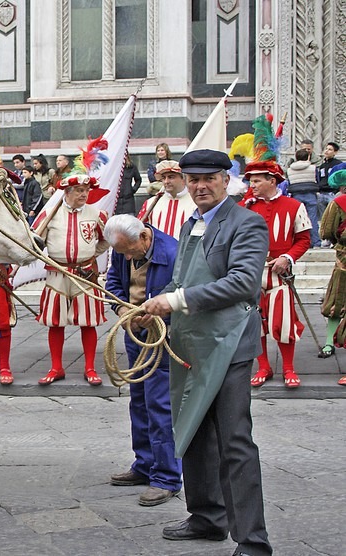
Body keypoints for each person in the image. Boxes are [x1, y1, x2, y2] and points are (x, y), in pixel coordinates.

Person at [142, 149, 272, 556]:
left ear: (225, 180)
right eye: (193, 179)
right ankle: (206, 517)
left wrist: (175, 301)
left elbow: (243, 284)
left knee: (235, 441)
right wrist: (150, 305)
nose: (200, 186)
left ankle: (252, 541)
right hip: (193, 343)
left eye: (208, 178)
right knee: (194, 431)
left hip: (230, 344)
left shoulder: (247, 223)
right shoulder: (190, 224)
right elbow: (180, 280)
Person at [104, 214, 181, 507]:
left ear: (145, 238)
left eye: (128, 251)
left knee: (159, 404)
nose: (124, 256)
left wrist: (161, 313)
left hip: (162, 336)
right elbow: (113, 281)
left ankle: (167, 477)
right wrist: (122, 311)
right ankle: (145, 464)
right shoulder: (123, 246)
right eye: (120, 252)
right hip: (135, 331)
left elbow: (182, 293)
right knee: (138, 399)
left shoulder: (171, 253)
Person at [34, 175, 109, 386]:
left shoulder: (96, 214)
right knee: (55, 321)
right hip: (57, 273)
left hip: (85, 273)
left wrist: (91, 255)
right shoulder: (49, 215)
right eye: (78, 190)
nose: (84, 194)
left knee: (89, 321)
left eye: (86, 190)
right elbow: (35, 242)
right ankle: (56, 367)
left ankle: (90, 368)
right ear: (66, 193)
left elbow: (106, 239)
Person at [242, 160, 311, 389]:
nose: (252, 184)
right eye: (251, 180)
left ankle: (289, 368)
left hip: (279, 274)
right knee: (255, 322)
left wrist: (287, 258)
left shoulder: (294, 206)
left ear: (272, 181)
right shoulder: (245, 207)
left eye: (257, 180)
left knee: (283, 322)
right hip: (251, 274)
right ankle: (263, 367)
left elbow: (303, 240)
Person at [318, 169, 346, 366]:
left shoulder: (338, 203)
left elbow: (326, 231)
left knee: (336, 300)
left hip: (343, 259)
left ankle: (329, 343)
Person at [136, 160, 196, 240]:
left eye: (171, 177)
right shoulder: (150, 203)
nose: (166, 181)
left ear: (183, 179)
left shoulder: (196, 203)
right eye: (163, 178)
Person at [286, 148, 320, 247]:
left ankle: (298, 242)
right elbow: (317, 180)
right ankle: (315, 242)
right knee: (312, 218)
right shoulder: (313, 168)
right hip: (310, 194)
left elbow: (288, 182)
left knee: (298, 220)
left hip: (296, 195)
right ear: (308, 157)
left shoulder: (289, 170)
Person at [317, 142, 343, 235]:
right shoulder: (322, 166)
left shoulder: (338, 165)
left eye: (330, 149)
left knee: (333, 216)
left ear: (335, 152)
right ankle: (324, 235)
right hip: (322, 193)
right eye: (326, 149)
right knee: (323, 217)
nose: (327, 151)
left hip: (332, 193)